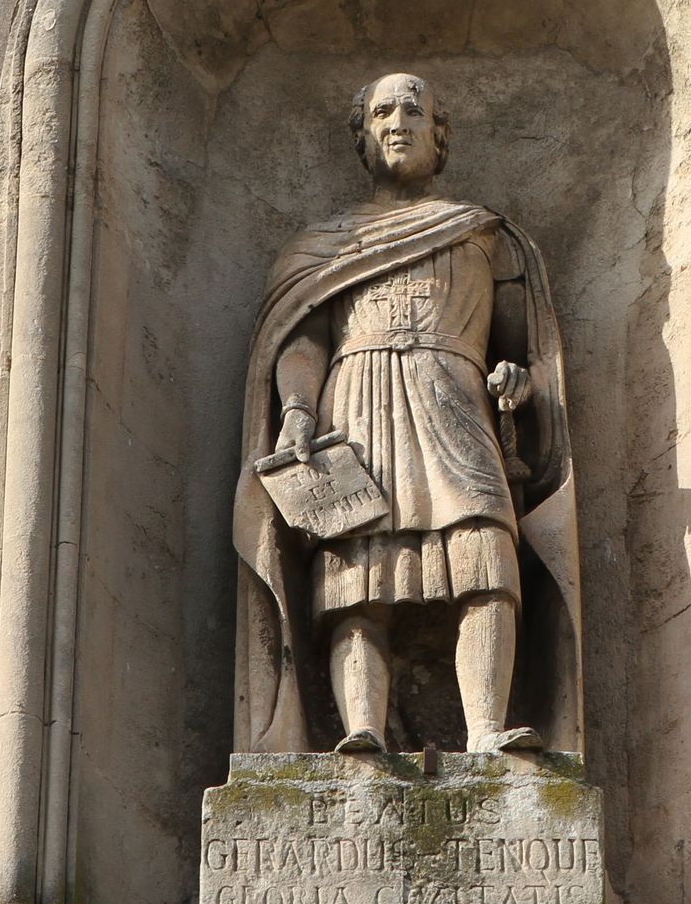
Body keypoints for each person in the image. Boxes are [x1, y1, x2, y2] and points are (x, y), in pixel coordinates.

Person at [232, 73, 582, 756]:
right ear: (363, 136)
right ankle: (360, 726)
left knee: (486, 555)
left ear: (439, 134)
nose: (398, 121)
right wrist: (298, 408)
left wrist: (518, 376)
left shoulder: (483, 234)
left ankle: (485, 728)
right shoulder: (325, 244)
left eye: (413, 110)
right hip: (356, 402)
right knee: (353, 573)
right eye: (383, 111)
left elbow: (525, 348)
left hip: (454, 400)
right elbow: (301, 339)